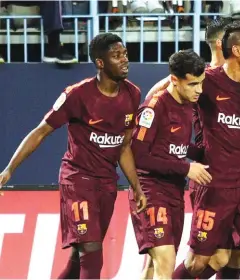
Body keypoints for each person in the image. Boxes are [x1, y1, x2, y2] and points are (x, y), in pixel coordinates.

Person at [145, 17, 240, 280]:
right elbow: (159, 96)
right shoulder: (207, 80)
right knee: (202, 262)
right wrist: (182, 149)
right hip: (214, 183)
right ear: (236, 50)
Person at [0, 33, 147, 279]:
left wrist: (137, 187)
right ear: (100, 62)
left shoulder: (132, 94)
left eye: (125, 54)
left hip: (106, 184)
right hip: (77, 180)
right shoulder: (77, 94)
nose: (124, 60)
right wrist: (9, 169)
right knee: (91, 252)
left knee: (79, 261)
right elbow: (40, 132)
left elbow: (123, 147)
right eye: (116, 56)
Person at [129, 50, 213, 279]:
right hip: (149, 191)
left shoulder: (188, 103)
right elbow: (138, 156)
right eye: (193, 84)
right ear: (174, 80)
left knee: (154, 266)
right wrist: (187, 168)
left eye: (201, 83)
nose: (199, 90)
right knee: (165, 261)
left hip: (174, 192)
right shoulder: (154, 108)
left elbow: (175, 147)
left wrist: (208, 155)